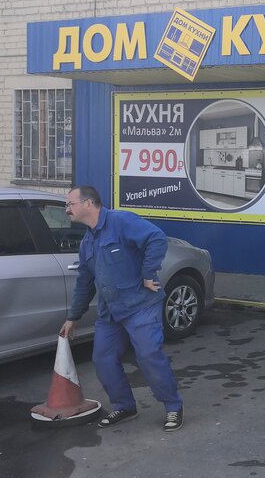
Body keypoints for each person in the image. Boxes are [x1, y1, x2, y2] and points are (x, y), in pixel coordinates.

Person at [59, 185, 184, 431]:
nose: (66, 210)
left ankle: (172, 406)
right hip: (111, 311)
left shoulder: (121, 221)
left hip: (140, 305)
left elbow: (156, 238)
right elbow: (84, 283)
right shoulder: (87, 243)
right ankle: (125, 406)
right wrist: (73, 317)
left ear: (88, 203)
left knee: (148, 355)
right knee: (103, 359)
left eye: (70, 204)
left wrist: (148, 273)